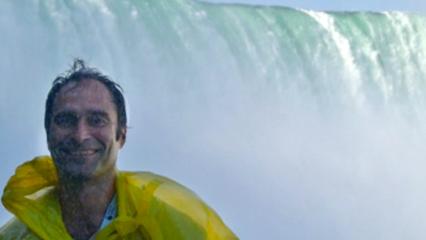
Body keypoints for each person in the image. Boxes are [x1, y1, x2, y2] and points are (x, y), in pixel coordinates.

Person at [0, 59, 237, 240]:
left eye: (97, 120)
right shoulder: (18, 235)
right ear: (48, 135)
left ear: (121, 135)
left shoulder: (167, 221)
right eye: (66, 120)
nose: (80, 135)